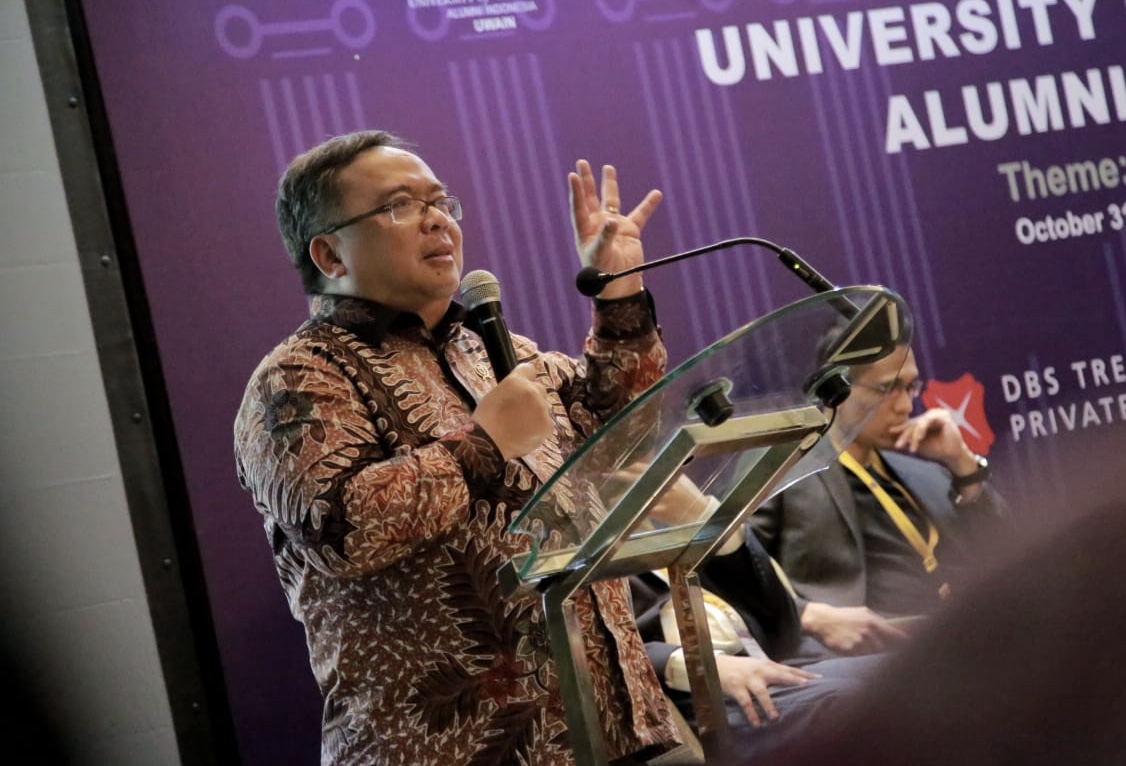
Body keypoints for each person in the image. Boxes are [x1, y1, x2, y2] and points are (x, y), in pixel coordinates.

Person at [232, 129, 690, 766]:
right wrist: (485, 444)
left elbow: (625, 432)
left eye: (440, 201)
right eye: (400, 205)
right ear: (330, 255)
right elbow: (337, 532)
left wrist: (618, 290)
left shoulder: (497, 351)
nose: (437, 220)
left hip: (612, 731)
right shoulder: (297, 378)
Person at [749, 322, 1009, 656]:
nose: (906, 407)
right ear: (835, 389)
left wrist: (964, 467)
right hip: (877, 655)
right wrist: (808, 615)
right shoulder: (785, 472)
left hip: (968, 631)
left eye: (910, 387)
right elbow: (730, 571)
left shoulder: (926, 473)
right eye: (888, 389)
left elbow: (1009, 550)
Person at [629, 521, 882, 763]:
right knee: (853, 701)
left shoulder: (662, 524)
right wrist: (700, 663)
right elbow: (608, 649)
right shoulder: (608, 537)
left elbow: (780, 623)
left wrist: (701, 513)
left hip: (763, 657)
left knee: (892, 677)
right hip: (684, 695)